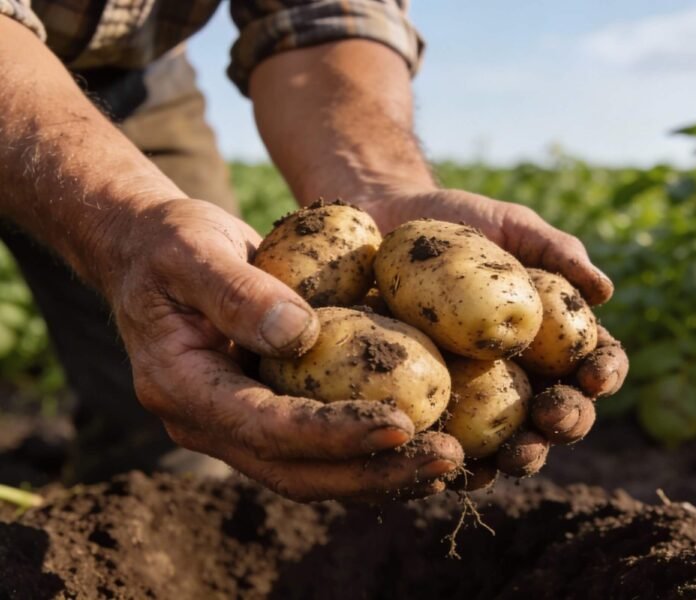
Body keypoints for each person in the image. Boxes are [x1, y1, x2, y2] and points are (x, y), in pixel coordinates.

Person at [0, 1, 628, 502]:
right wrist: (125, 225)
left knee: (183, 383)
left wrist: (383, 186)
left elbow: (320, 15)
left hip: (135, 72)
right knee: (171, 282)